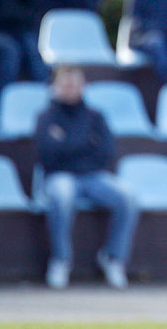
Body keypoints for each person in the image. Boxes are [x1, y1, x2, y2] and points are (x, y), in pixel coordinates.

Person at [34, 64, 138, 289]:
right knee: (62, 195)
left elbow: (106, 152)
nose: (70, 88)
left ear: (83, 86)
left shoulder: (96, 117)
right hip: (58, 176)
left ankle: (113, 258)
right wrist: (85, 143)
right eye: (65, 83)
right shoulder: (45, 118)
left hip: (93, 176)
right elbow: (46, 154)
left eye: (75, 83)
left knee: (127, 197)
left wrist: (66, 143)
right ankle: (60, 260)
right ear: (55, 87)